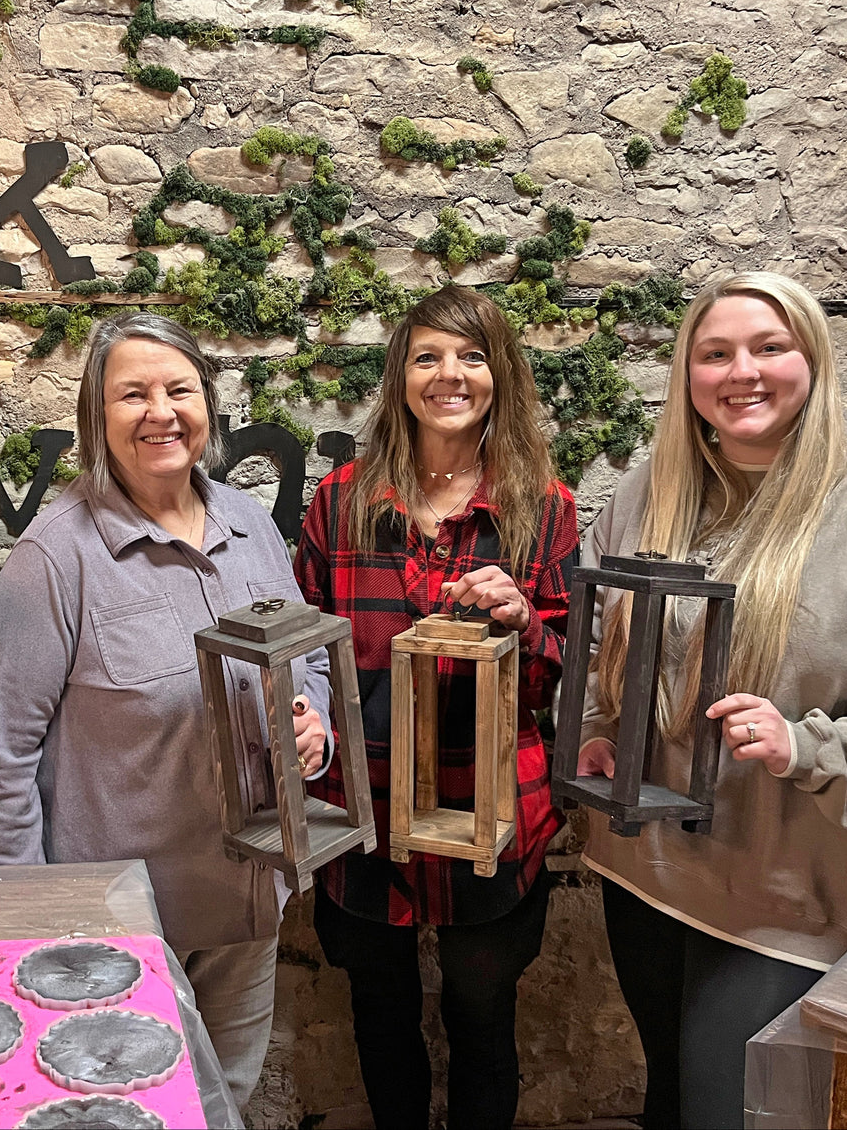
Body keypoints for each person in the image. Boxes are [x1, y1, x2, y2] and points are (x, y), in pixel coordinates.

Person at [576, 271, 847, 1129]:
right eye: (715, 354)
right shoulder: (647, 497)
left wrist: (806, 748)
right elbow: (596, 642)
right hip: (645, 877)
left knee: (726, 1113)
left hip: (788, 899)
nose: (742, 372)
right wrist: (598, 728)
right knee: (668, 1099)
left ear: (810, 360)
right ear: (687, 375)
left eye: (768, 347)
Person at [0, 312, 331, 1111]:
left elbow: (306, 661)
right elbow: (1, 763)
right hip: (119, 925)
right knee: (138, 1112)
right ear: (96, 418)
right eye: (132, 394)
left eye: (179, 390)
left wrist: (315, 730)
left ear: (207, 404)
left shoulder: (250, 525)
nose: (159, 412)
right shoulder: (55, 556)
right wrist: (42, 926)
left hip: (247, 899)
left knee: (226, 1100)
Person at [294, 285, 579, 1130]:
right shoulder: (340, 501)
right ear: (400, 376)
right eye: (427, 356)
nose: (448, 374)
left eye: (471, 356)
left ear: (500, 375)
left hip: (490, 810)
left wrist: (523, 623)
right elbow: (305, 649)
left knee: (483, 1019)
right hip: (364, 807)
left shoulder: (544, 508)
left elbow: (561, 678)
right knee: (378, 1015)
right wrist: (302, 719)